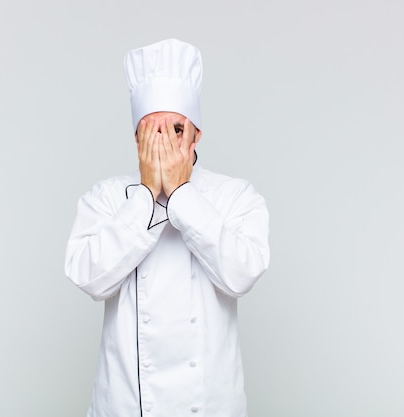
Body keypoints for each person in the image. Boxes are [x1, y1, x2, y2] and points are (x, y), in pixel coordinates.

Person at [65, 38, 270, 417]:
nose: (164, 143)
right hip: (125, 406)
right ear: (135, 138)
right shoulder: (108, 198)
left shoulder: (235, 196)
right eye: (151, 131)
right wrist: (145, 195)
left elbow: (241, 275)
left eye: (176, 129)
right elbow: (89, 277)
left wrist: (179, 195)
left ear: (197, 135)